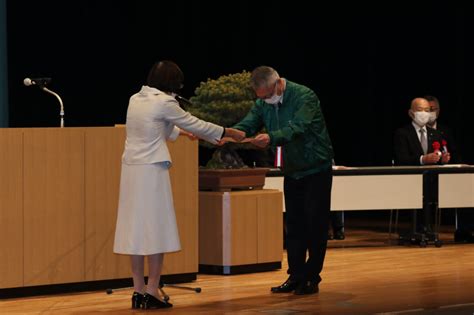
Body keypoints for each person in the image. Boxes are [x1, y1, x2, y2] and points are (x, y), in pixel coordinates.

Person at [113, 60, 245, 309]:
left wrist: (182, 133)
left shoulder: (136, 99)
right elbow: (194, 122)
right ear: (173, 83)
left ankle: (138, 291)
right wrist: (227, 131)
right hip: (151, 171)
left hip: (131, 171)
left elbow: (156, 126)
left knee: (136, 230)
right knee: (156, 229)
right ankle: (152, 290)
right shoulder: (165, 102)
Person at [233, 66, 334, 295]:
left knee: (315, 225)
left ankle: (312, 276)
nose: (265, 100)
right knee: (294, 225)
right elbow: (248, 123)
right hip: (293, 170)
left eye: (268, 95)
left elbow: (298, 127)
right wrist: (231, 133)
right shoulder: (262, 103)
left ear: (278, 84)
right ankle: (295, 275)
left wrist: (271, 137)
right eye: (261, 97)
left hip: (316, 168)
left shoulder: (304, 96)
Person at [393, 97, 449, 238]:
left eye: (427, 110)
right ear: (411, 113)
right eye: (420, 110)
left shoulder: (435, 134)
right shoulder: (403, 133)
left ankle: (428, 227)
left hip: (431, 179)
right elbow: (401, 159)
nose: (424, 113)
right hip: (410, 180)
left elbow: (439, 155)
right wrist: (423, 159)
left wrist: (442, 159)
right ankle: (416, 228)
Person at [425, 95, 474, 242]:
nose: (430, 112)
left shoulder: (445, 131)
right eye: (428, 109)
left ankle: (464, 230)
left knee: (467, 186)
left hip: (447, 174)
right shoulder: (414, 132)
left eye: (433, 109)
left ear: (439, 111)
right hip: (428, 176)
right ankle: (425, 229)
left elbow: (454, 153)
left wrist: (450, 160)